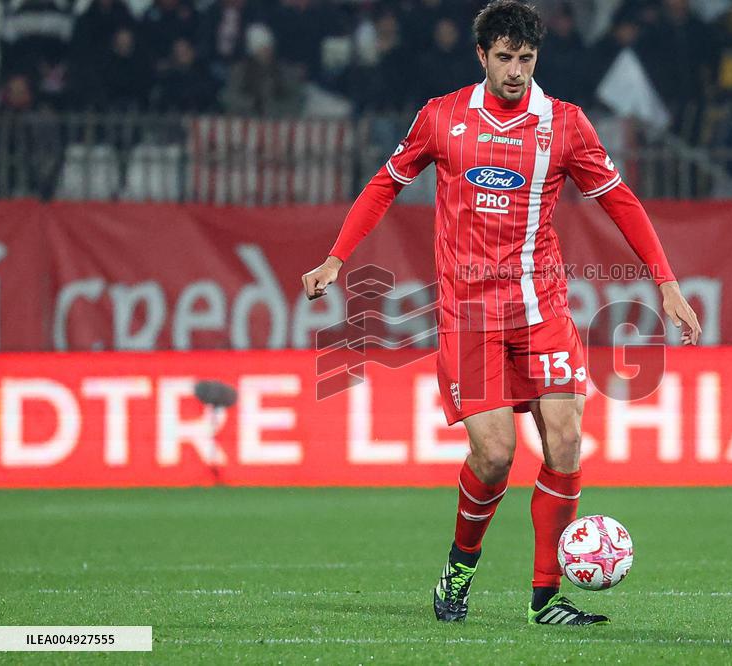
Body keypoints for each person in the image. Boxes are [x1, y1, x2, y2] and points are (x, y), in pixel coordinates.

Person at [300, 0, 700, 626]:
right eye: (505, 58)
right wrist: (336, 258)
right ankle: (460, 568)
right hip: (469, 315)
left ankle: (546, 597)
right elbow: (384, 183)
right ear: (481, 56)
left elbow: (620, 201)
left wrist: (666, 283)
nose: (516, 71)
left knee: (565, 439)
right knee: (494, 456)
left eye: (527, 58)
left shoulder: (564, 124)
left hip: (542, 309)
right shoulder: (442, 117)